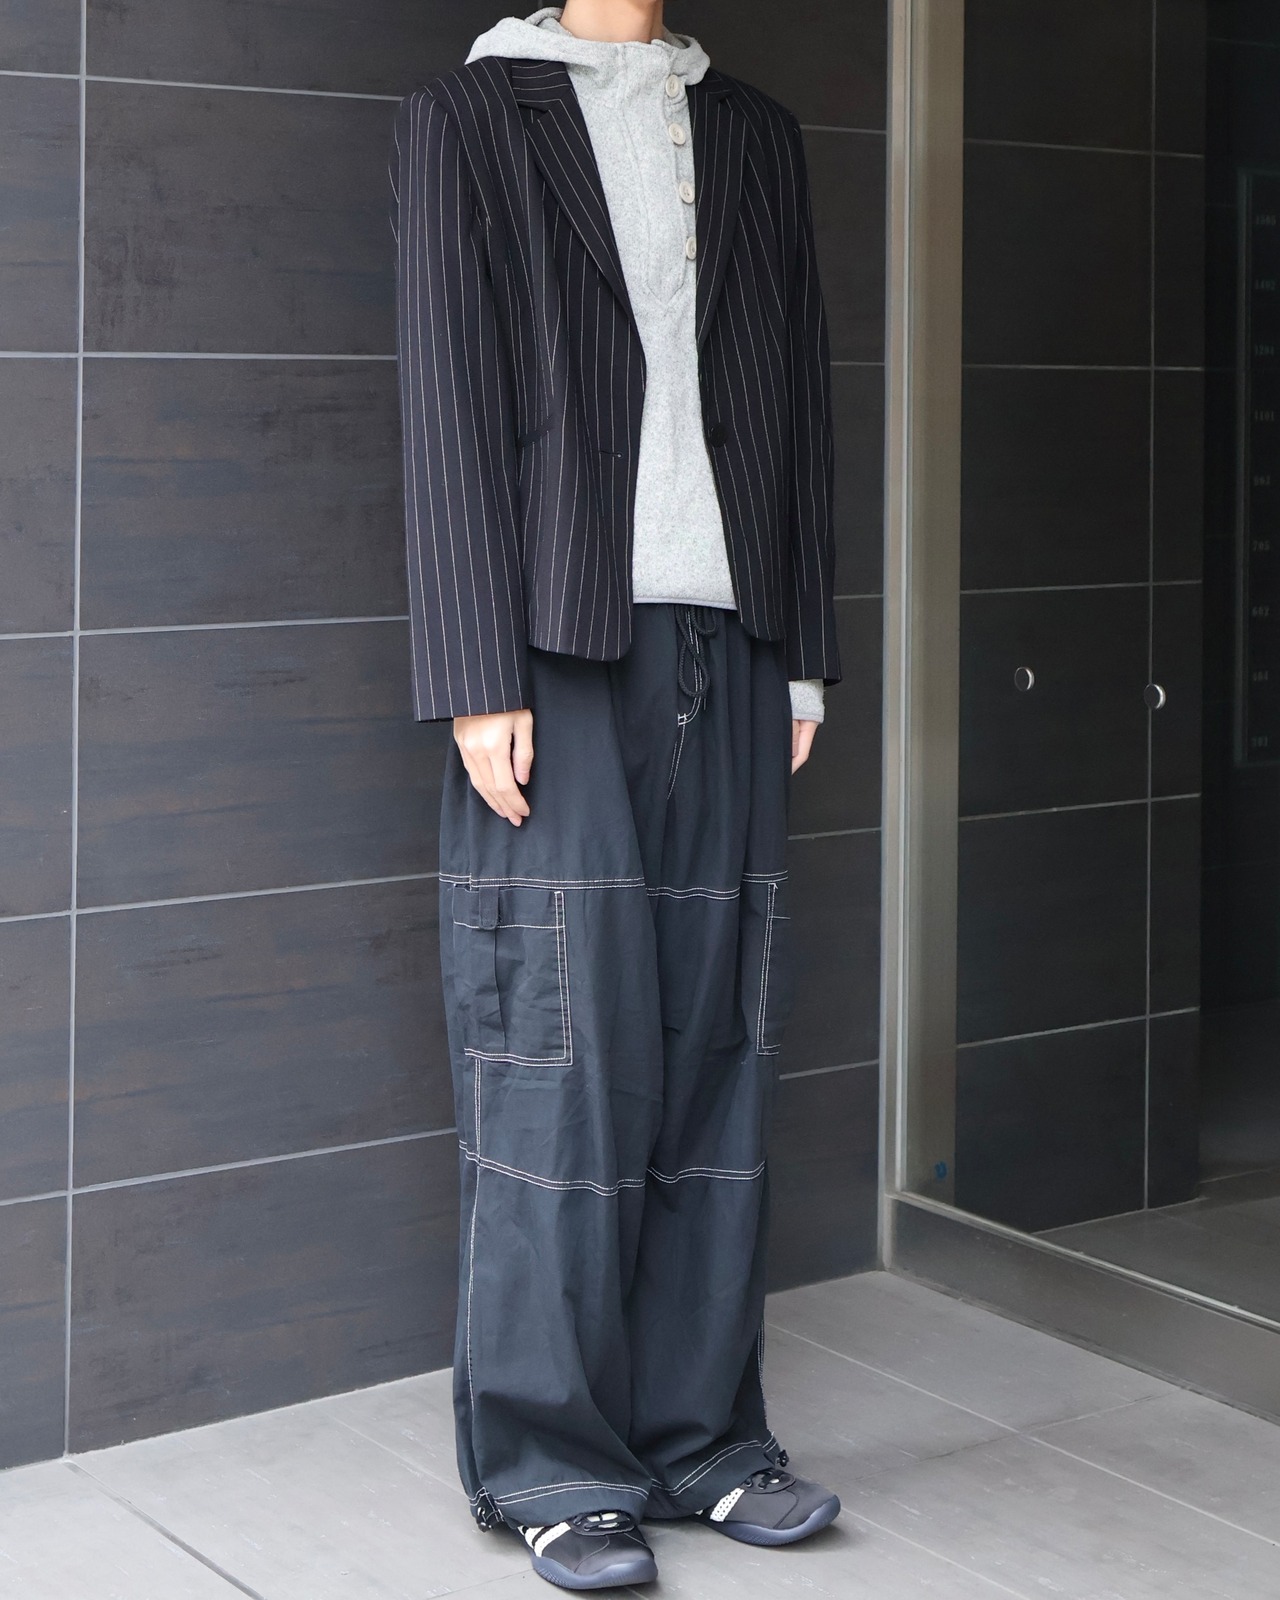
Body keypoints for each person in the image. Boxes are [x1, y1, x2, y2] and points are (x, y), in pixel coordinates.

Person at [390, 0, 842, 1587]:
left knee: (716, 1051)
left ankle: (702, 1439)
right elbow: (447, 391)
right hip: (554, 650)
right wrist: (474, 670)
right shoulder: (470, 118)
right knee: (559, 1064)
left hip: (735, 641)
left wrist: (806, 657)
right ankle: (549, 1465)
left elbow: (798, 397)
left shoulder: (754, 133)